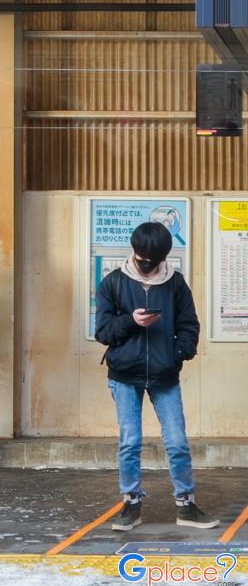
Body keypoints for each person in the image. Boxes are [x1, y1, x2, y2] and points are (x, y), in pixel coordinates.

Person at [95, 222, 218, 531]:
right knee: (130, 442)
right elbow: (103, 331)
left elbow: (189, 325)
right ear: (135, 252)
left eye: (154, 260)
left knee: (177, 442)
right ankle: (131, 504)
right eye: (142, 258)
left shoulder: (175, 284)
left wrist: (178, 354)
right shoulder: (113, 283)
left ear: (164, 256)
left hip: (165, 375)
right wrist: (131, 321)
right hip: (124, 375)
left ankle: (186, 506)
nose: (147, 266)